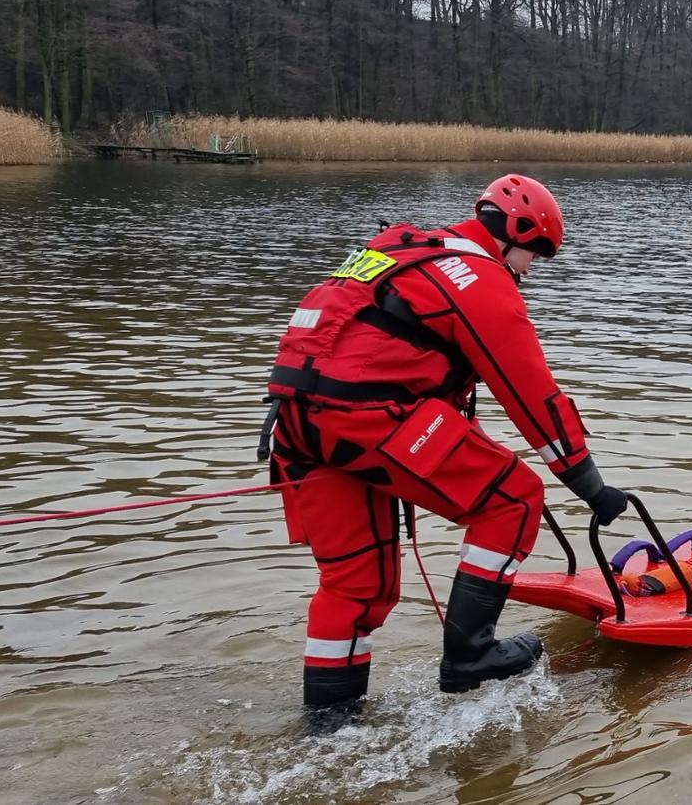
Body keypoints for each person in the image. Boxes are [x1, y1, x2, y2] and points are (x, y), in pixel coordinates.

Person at [261, 174, 629, 722]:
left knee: (356, 583)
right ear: (512, 236)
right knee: (516, 497)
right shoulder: (479, 277)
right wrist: (589, 485)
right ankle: (470, 653)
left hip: (296, 426)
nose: (530, 272)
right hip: (365, 417)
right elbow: (532, 395)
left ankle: (330, 725)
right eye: (533, 256)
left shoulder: (404, 252)